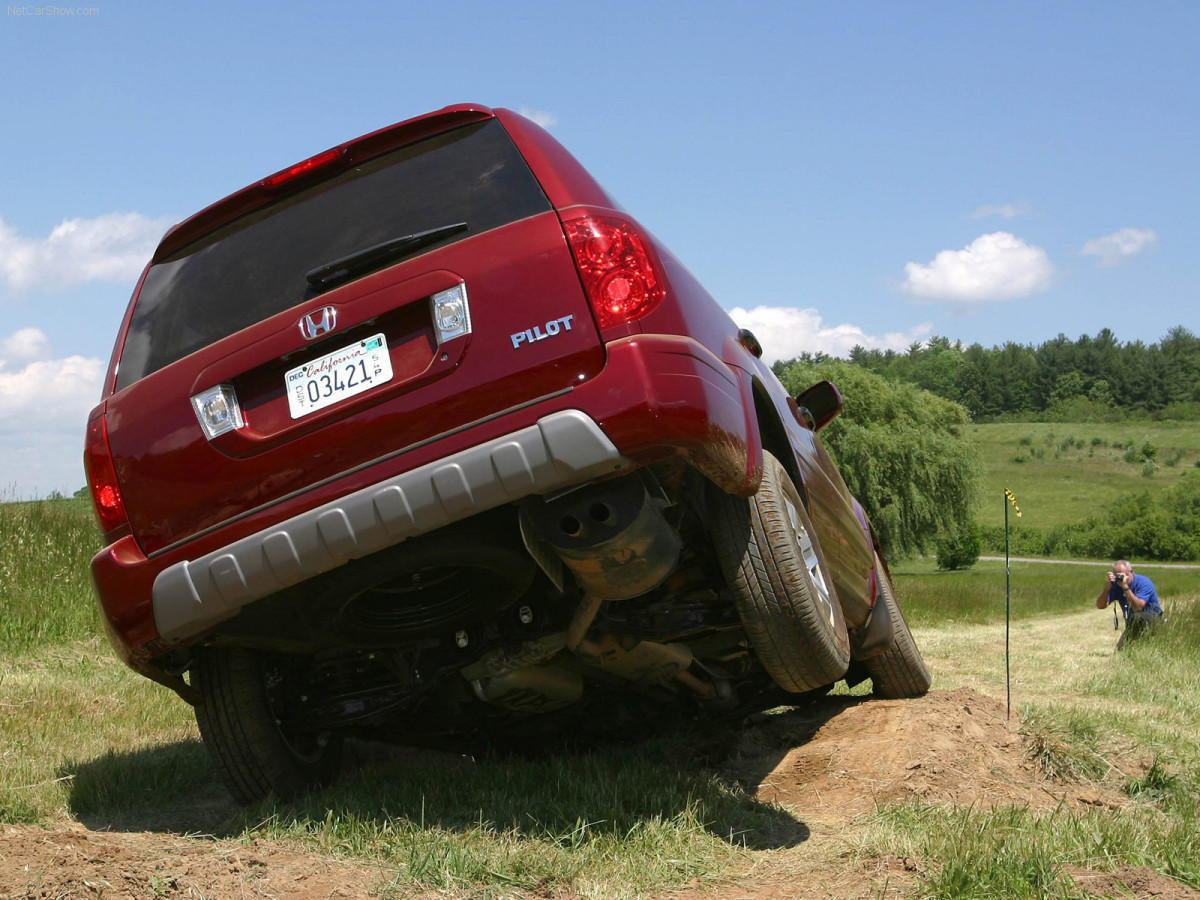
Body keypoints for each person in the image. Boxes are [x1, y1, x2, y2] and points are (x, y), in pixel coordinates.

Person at [1095, 559, 1163, 649]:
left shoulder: (1144, 583)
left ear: (1131, 572)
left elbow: (1138, 608)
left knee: (1138, 617)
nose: (1120, 578)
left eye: (1123, 575)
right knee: (1121, 652)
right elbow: (1100, 605)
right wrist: (1108, 587)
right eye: (1117, 576)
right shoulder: (1116, 585)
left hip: (1152, 620)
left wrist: (1125, 587)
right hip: (1133, 623)